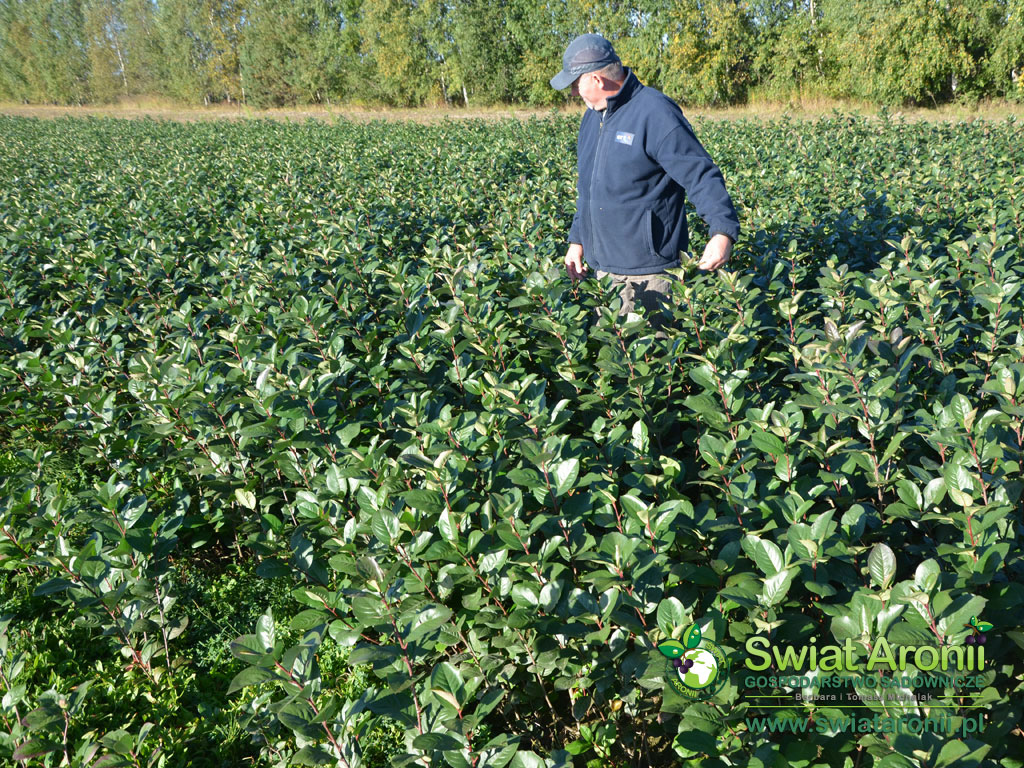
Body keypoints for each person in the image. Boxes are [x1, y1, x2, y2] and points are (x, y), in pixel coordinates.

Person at [551, 34, 740, 325]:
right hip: (602, 271)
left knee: (653, 350)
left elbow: (700, 174)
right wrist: (577, 240)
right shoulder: (592, 118)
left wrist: (722, 232)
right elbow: (588, 190)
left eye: (576, 84)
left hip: (649, 274)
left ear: (597, 80)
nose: (574, 93)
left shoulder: (655, 113)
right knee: (615, 349)